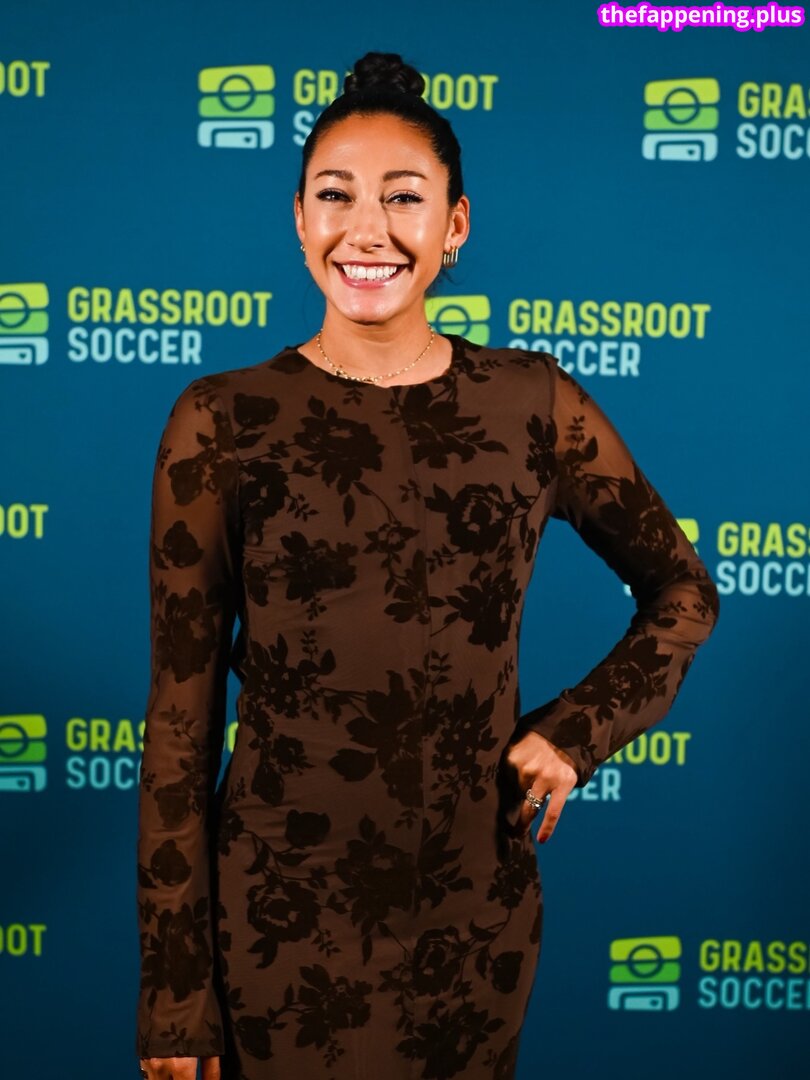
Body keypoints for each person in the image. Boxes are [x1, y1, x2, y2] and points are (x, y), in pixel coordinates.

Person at [135, 50, 719, 1080]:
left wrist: (580, 730)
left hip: (474, 924)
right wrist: (175, 997)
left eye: (403, 197)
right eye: (336, 195)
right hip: (277, 924)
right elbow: (181, 725)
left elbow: (682, 593)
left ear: (455, 226)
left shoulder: (533, 404)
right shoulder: (221, 421)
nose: (367, 229)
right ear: (299, 219)